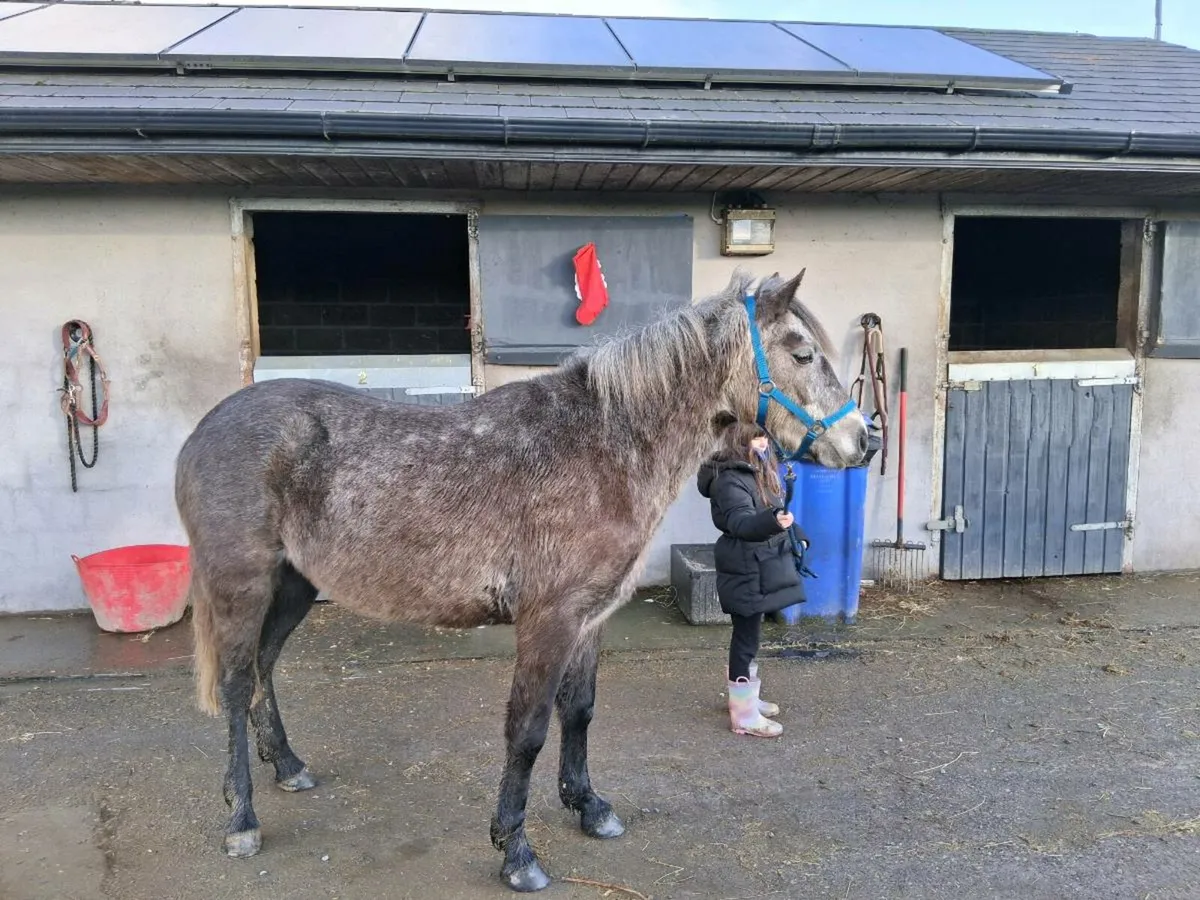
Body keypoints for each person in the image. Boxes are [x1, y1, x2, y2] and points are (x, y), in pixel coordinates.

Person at [697, 421, 807, 738]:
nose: (763, 444)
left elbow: (772, 509)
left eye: (764, 438)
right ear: (739, 442)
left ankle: (745, 699)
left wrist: (798, 534)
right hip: (744, 567)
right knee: (745, 639)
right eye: (756, 439)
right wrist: (774, 521)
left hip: (757, 566)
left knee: (749, 637)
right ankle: (743, 715)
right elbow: (741, 522)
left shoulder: (755, 473)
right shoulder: (730, 479)